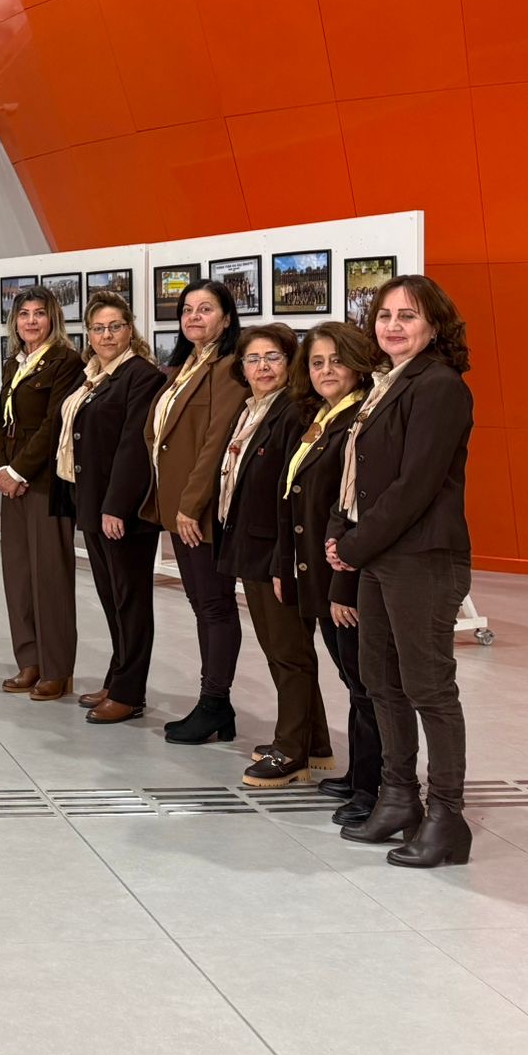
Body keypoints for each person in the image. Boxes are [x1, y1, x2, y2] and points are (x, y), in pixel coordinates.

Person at [328, 275, 477, 868]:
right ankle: (397, 798)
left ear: (434, 326)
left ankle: (448, 817)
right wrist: (344, 535)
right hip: (382, 554)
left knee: (428, 688)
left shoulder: (439, 387)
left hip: (423, 558)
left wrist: (355, 545)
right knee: (380, 681)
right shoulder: (384, 384)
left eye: (407, 316)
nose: (393, 325)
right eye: (385, 315)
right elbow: (361, 477)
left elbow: (415, 485)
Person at [210, 325, 331, 788]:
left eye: (273, 358)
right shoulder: (252, 410)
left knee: (288, 652)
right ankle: (314, 741)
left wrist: (286, 561)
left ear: (290, 363)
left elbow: (293, 496)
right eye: (252, 359)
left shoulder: (295, 412)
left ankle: (291, 751)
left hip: (277, 551)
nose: (262, 367)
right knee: (284, 649)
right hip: (252, 545)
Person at [277, 320, 380, 827]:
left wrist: (344, 585)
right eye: (317, 363)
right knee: (352, 679)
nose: (326, 371)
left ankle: (374, 787)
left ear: (358, 364)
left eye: (336, 361)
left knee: (368, 685)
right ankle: (361, 772)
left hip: (347, 579)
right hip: (320, 573)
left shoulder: (362, 419)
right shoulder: (320, 418)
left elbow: (357, 513)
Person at [141, 279, 249, 744]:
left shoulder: (227, 368)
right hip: (178, 506)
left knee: (215, 606)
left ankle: (215, 703)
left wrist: (191, 503)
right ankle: (213, 704)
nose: (194, 317)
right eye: (187, 309)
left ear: (227, 318)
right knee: (202, 604)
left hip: (199, 509)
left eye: (206, 309)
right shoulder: (185, 366)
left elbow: (216, 440)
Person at [56, 292, 166, 724]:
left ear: (129, 329)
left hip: (122, 511)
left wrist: (115, 506)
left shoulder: (141, 375)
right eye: (98, 328)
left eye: (115, 327)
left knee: (131, 602)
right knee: (112, 599)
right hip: (92, 503)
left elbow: (133, 446)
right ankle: (117, 678)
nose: (106, 335)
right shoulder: (93, 375)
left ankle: (130, 693)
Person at [0, 285, 85, 701]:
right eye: (24, 314)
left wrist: (18, 470)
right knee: (18, 576)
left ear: (53, 319)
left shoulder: (65, 360)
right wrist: (0, 468)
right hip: (11, 481)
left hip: (44, 481)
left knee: (50, 577)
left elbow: (55, 424)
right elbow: (1, 421)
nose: (31, 321)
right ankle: (29, 660)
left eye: (39, 313)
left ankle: (57, 668)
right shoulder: (14, 363)